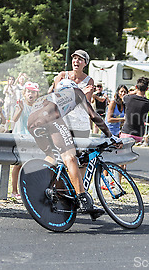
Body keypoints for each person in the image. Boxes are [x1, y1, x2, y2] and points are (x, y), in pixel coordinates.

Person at [27, 79, 120, 219]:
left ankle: (45, 186)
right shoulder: (77, 92)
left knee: (52, 156)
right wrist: (110, 136)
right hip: (50, 118)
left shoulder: (54, 96)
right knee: (69, 157)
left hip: (32, 123)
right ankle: (83, 199)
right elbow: (94, 116)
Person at [49, 50, 94, 138]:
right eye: (74, 58)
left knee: (80, 151)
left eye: (80, 59)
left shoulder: (89, 81)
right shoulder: (62, 76)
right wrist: (80, 94)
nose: (76, 61)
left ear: (85, 63)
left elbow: (85, 105)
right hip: (63, 122)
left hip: (80, 125)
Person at [10, 81, 40, 199]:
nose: (31, 94)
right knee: (18, 165)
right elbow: (14, 118)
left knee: (31, 165)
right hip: (20, 136)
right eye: (29, 92)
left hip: (33, 138)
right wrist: (20, 109)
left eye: (33, 92)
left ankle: (28, 190)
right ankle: (14, 190)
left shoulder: (38, 106)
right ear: (24, 93)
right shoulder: (20, 104)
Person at [120, 77, 149, 143]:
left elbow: (123, 97)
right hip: (139, 133)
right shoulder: (148, 103)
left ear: (136, 87)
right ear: (147, 89)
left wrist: (134, 91)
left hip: (127, 132)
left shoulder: (128, 98)